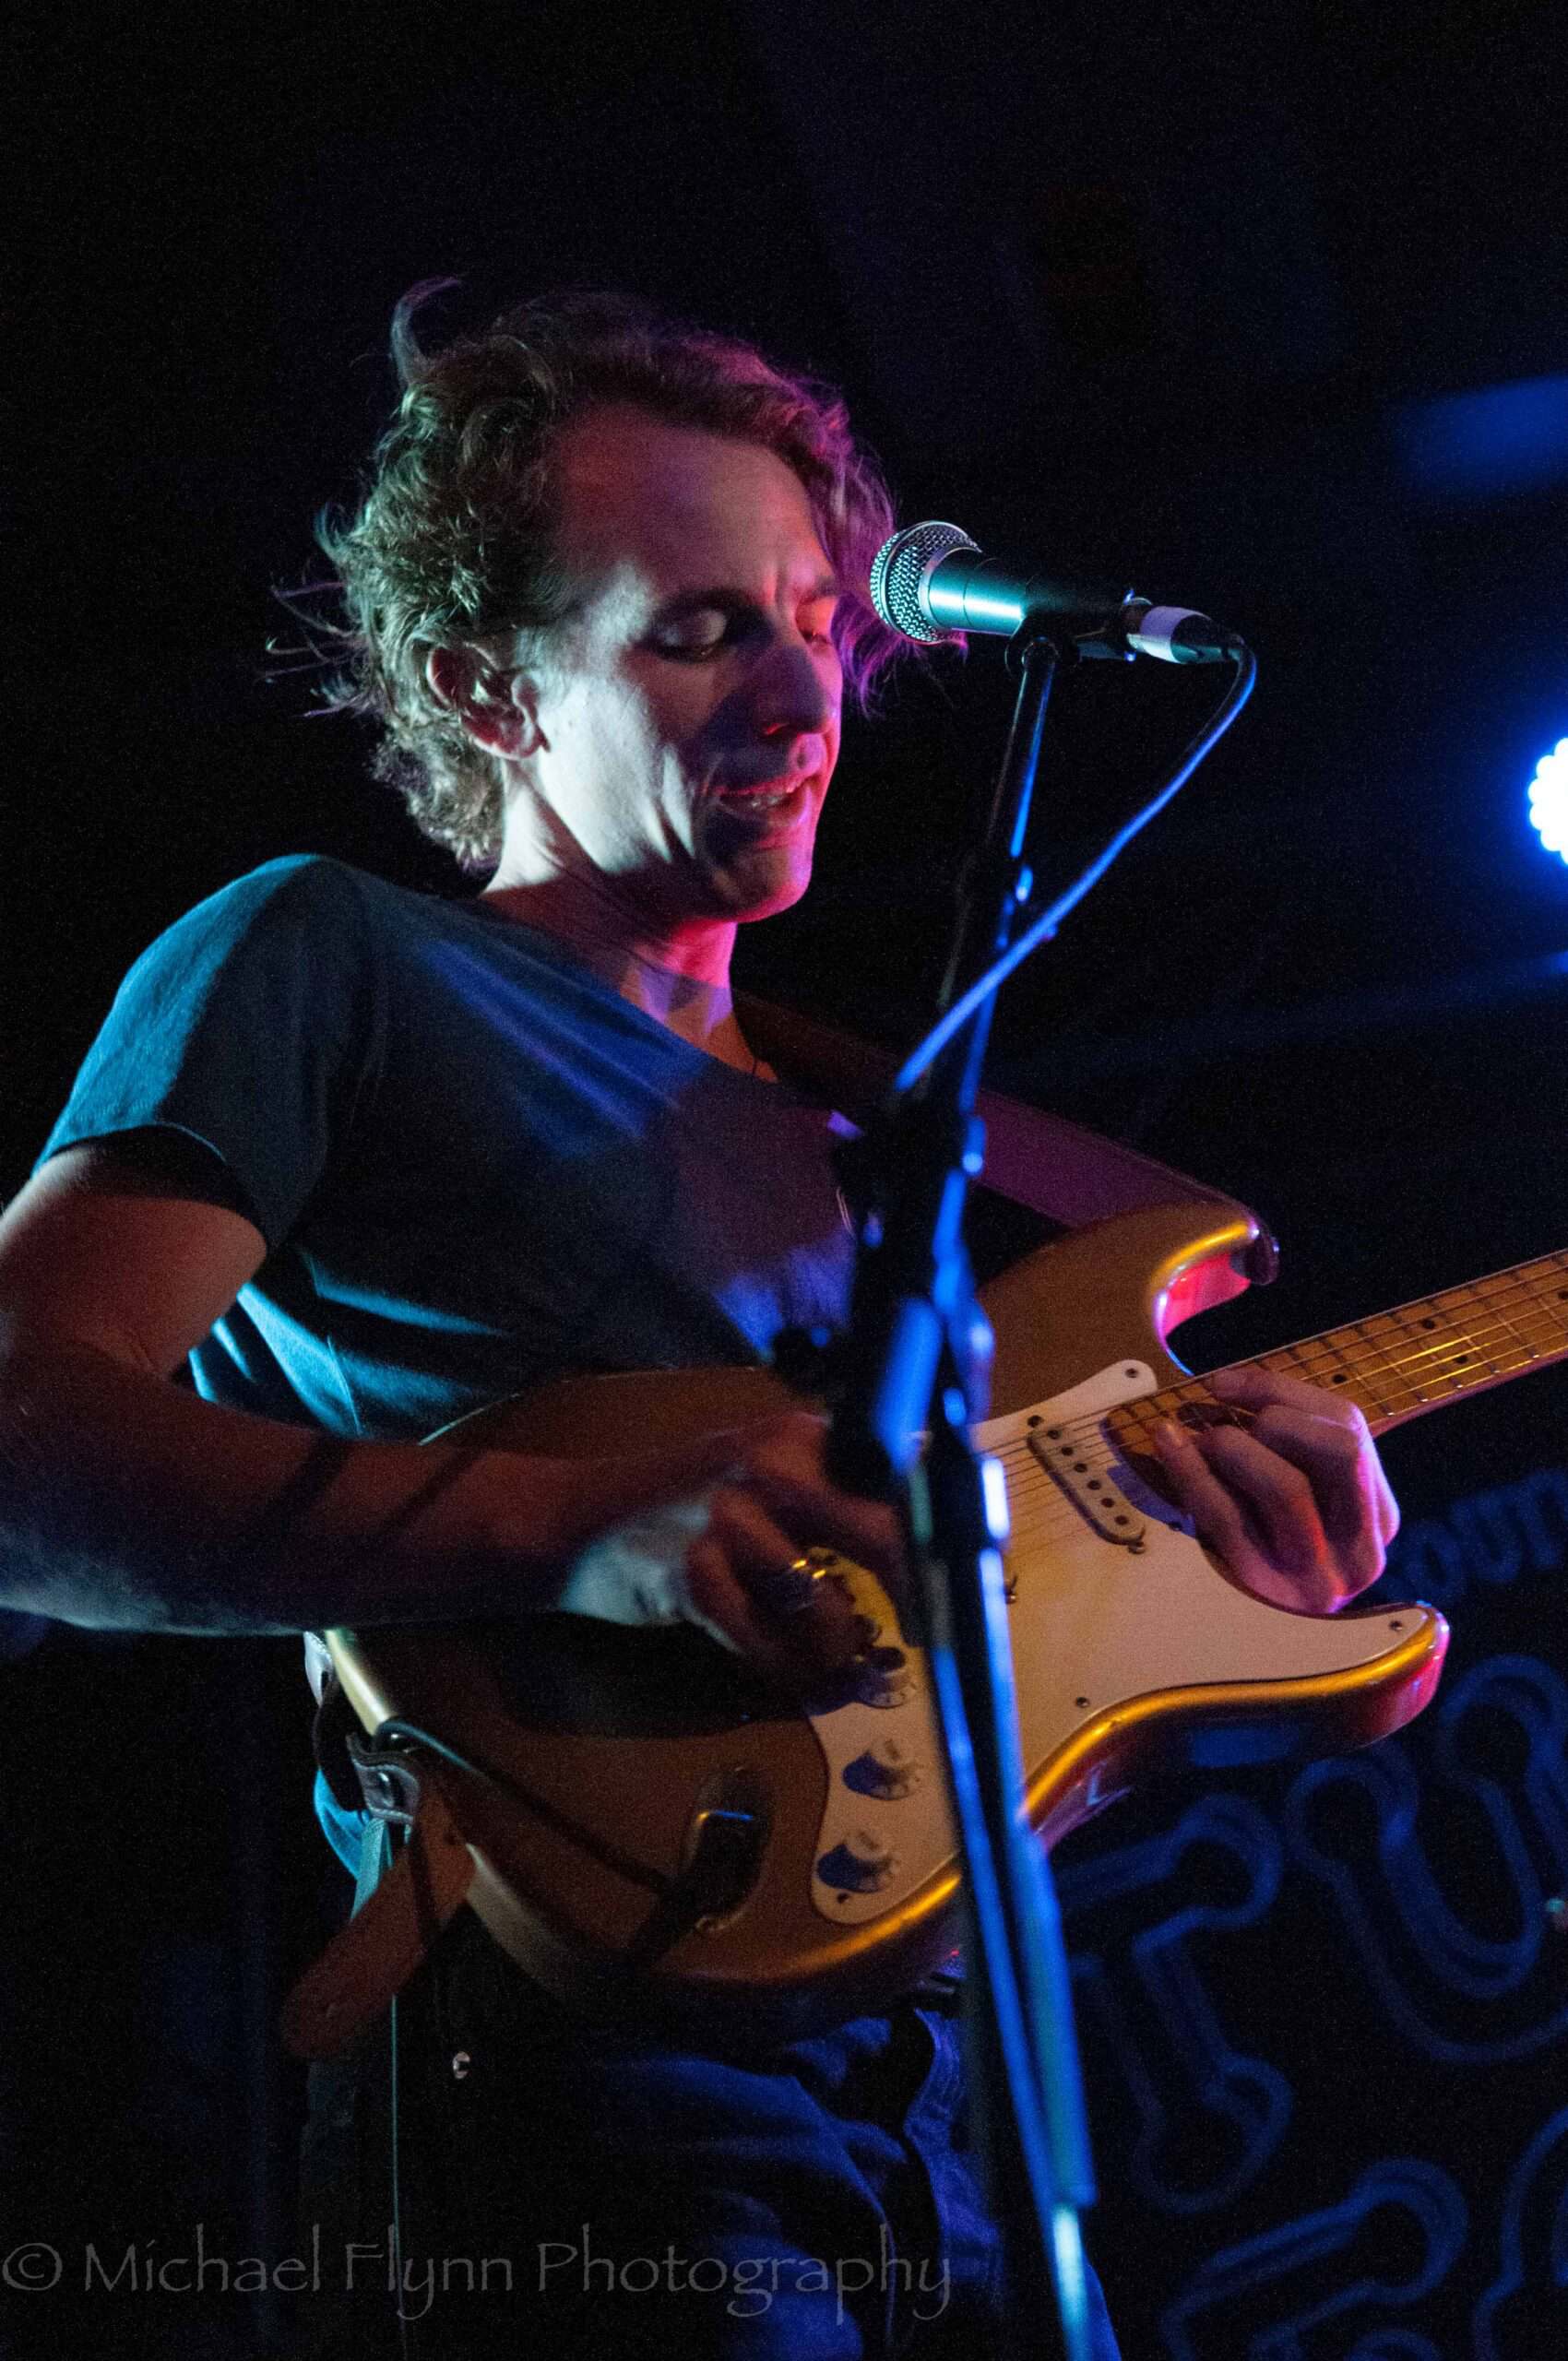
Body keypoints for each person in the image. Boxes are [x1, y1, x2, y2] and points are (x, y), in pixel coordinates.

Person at [0, 288, 1399, 2358]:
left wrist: (1203, 1595)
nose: (806, 686)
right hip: (579, 2073)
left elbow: (912, 1719)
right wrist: (582, 1528)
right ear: (486, 687)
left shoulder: (870, 1133)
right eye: (701, 629)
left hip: (946, 2093)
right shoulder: (326, 955)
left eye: (820, 619)